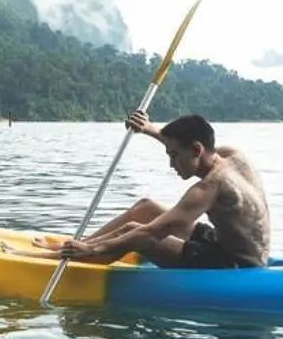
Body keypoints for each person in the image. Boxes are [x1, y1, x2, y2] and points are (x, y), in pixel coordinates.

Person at [45, 110, 271, 268]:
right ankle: (71, 248)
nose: (171, 164)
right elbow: (183, 144)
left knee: (137, 232)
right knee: (146, 208)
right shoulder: (232, 156)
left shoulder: (208, 188)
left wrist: (95, 250)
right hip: (227, 243)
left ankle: (75, 256)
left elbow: (150, 232)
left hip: (235, 264)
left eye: (174, 156)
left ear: (196, 150)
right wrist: (148, 128)